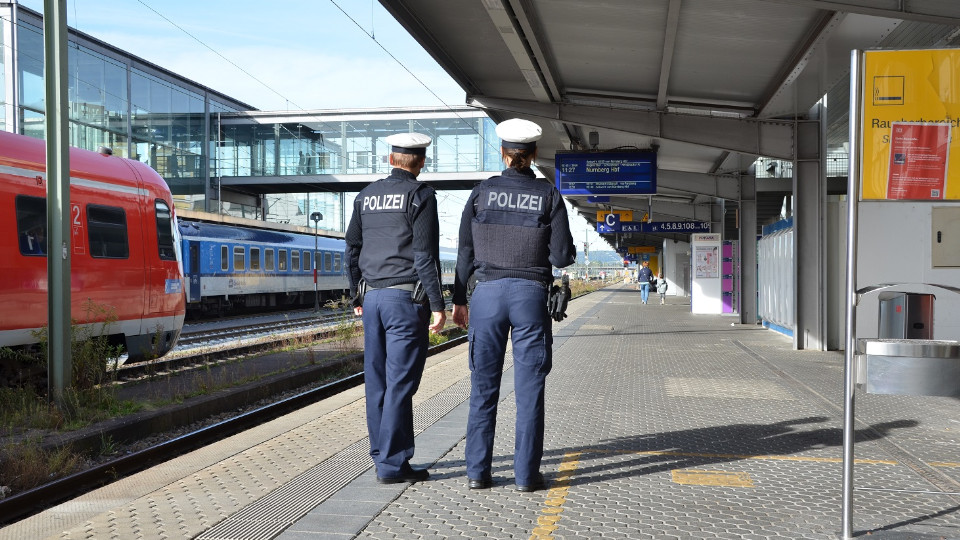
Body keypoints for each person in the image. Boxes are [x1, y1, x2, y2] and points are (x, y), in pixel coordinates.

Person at [451, 118, 576, 492]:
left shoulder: (480, 194)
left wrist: (459, 300)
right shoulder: (548, 195)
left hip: (486, 295)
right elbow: (562, 256)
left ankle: (477, 473)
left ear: (503, 153)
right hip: (530, 295)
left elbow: (464, 252)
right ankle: (525, 477)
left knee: (483, 387)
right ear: (534, 155)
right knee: (529, 390)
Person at [344, 132, 446, 484]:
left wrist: (357, 295)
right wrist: (437, 304)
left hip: (372, 300)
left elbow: (352, 248)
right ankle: (391, 464)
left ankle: (382, 456)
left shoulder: (365, 196)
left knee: (377, 383)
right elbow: (425, 255)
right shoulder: (421, 196)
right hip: (404, 301)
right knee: (401, 383)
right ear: (420, 162)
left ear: (390, 160)